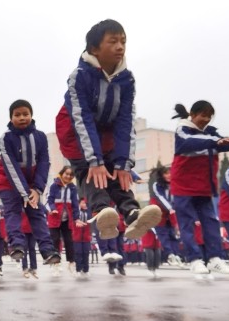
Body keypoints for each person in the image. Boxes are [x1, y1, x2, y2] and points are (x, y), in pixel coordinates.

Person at [55, 19, 161, 241]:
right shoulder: (80, 76)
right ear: (94, 48)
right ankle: (101, 211)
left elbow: (125, 121)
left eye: (123, 41)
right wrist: (94, 160)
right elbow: (81, 117)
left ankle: (132, 213)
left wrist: (125, 163)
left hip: (106, 129)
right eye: (113, 42)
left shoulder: (127, 79)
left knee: (116, 172)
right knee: (92, 171)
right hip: (75, 130)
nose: (120, 47)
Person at [170, 101, 229, 276]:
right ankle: (194, 260)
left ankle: (215, 258)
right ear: (192, 114)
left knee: (211, 222)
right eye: (203, 115)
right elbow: (192, 142)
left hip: (205, 187)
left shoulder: (211, 133)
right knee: (187, 223)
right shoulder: (182, 130)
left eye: (209, 116)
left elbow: (222, 142)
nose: (206, 119)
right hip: (184, 186)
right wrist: (217, 141)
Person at [0, 99, 61, 266]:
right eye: (17, 115)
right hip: (8, 182)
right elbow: (11, 167)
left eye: (25, 114)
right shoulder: (6, 138)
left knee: (37, 212)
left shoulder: (40, 137)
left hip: (32, 183)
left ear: (31, 115)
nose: (22, 117)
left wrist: (37, 190)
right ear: (11, 118)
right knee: (13, 211)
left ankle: (47, 250)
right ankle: (17, 245)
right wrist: (24, 192)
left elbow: (44, 163)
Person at [46, 166, 81, 273]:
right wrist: (52, 209)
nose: (68, 176)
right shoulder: (54, 186)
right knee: (55, 240)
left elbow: (75, 205)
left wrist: (77, 218)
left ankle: (71, 262)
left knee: (69, 241)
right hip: (55, 218)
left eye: (71, 175)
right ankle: (56, 262)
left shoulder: (73, 188)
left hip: (67, 219)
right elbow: (49, 200)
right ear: (62, 173)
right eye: (66, 173)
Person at [149, 166, 183, 267]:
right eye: (166, 173)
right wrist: (172, 209)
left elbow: (177, 199)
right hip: (159, 213)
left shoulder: (175, 185)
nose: (169, 175)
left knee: (173, 234)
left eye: (170, 173)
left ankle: (176, 255)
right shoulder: (156, 185)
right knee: (163, 235)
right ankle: (170, 255)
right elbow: (161, 198)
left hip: (171, 214)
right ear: (161, 175)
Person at [73, 198, 91, 278]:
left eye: (85, 203)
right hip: (77, 236)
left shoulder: (88, 212)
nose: (84, 205)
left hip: (86, 236)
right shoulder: (76, 212)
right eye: (83, 203)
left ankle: (86, 270)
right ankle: (78, 269)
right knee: (78, 253)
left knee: (86, 253)